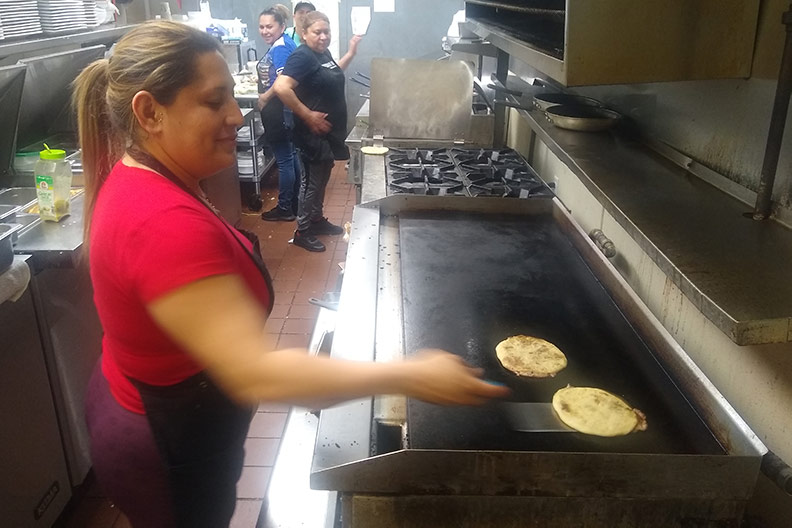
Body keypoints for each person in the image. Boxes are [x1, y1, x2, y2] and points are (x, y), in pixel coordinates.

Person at [72, 21, 507, 528]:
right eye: (213, 102)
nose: (236, 115)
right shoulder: (162, 224)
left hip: (144, 405)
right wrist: (410, 374)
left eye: (232, 98)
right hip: (165, 445)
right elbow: (257, 372)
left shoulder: (144, 172)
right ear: (149, 112)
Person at [274, 11, 359, 252]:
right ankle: (302, 230)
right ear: (304, 33)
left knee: (321, 179)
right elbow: (281, 87)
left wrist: (351, 52)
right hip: (310, 134)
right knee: (310, 183)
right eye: (317, 32)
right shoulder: (302, 56)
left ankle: (316, 219)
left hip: (327, 134)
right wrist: (307, 115)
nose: (323, 37)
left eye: (326, 32)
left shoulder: (321, 54)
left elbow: (332, 73)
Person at [257, 7, 300, 221]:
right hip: (284, 110)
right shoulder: (282, 43)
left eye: (269, 26)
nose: (264, 31)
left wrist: (264, 97)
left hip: (278, 110)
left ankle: (284, 208)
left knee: (284, 159)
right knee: (291, 157)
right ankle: (294, 204)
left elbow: (283, 82)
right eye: (261, 26)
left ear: (281, 27)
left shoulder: (281, 47)